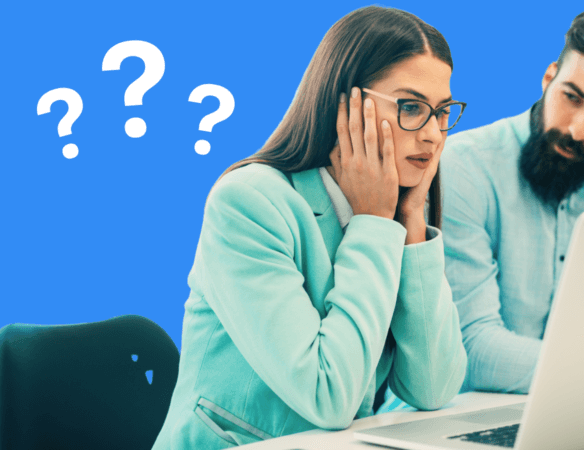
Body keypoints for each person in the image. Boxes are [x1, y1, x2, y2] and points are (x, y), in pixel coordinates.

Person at [152, 6, 468, 448]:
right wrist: (373, 224)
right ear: (345, 104)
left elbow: (433, 386)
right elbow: (328, 397)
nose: (434, 134)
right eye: (411, 107)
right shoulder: (248, 203)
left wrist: (412, 221)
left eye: (442, 111)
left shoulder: (397, 215)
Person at [440, 7, 584, 394]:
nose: (578, 130)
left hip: (575, 402)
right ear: (548, 80)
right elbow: (470, 349)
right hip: (468, 410)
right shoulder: (462, 168)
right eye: (572, 97)